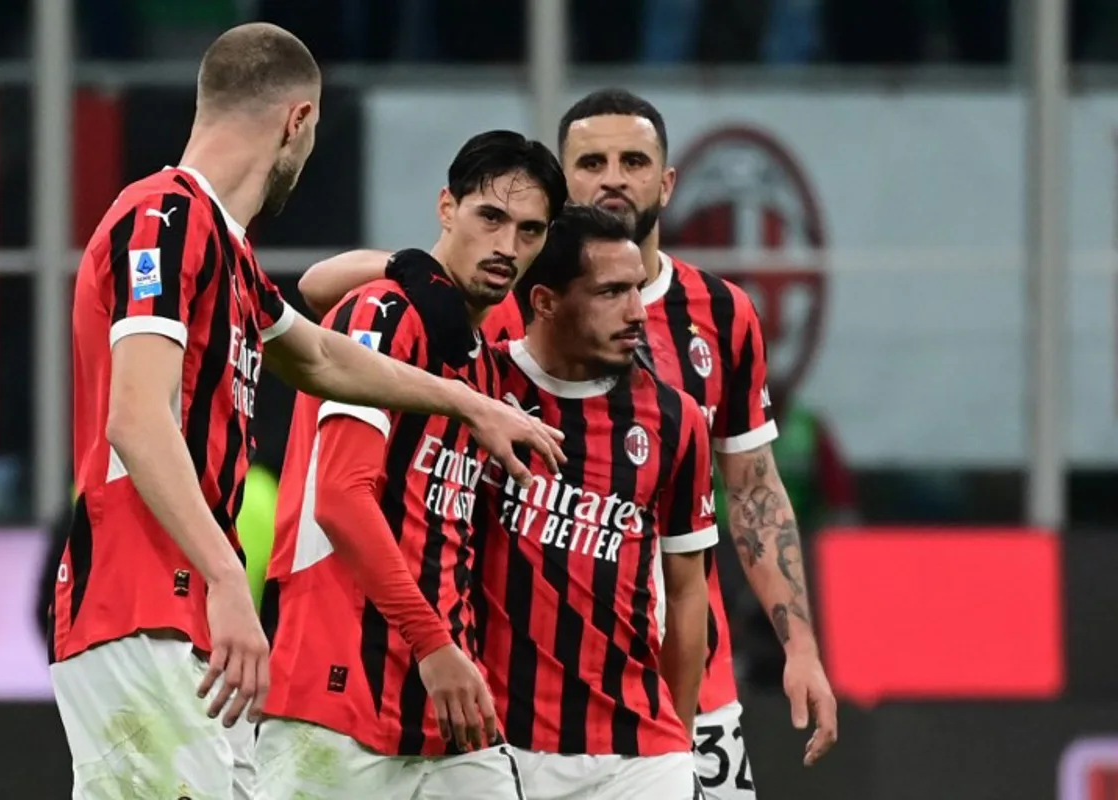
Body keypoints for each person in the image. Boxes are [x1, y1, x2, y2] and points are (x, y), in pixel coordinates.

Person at [52, 25, 565, 800]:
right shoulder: (163, 214)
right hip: (138, 605)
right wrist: (228, 576)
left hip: (188, 622)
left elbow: (319, 356)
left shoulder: (232, 257)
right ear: (297, 122)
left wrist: (467, 403)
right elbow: (134, 415)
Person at [297, 89, 838, 798]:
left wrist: (798, 641)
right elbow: (321, 290)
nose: (613, 177)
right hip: (506, 705)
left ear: (667, 182)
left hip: (679, 691)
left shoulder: (724, 315)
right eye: (591, 161)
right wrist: (413, 267)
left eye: (634, 160)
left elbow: (755, 489)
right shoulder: (502, 302)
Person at [254, 130, 568, 799]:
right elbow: (340, 497)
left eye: (529, 230)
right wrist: (434, 644)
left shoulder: (483, 358)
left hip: (447, 713)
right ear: (446, 208)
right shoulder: (384, 313)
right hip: (337, 703)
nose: (508, 246)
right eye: (491, 217)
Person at [471, 204, 714, 799]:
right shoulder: (478, 390)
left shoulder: (675, 419)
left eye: (637, 288)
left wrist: (677, 742)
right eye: (611, 292)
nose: (637, 311)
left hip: (638, 755)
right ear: (545, 301)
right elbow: (322, 287)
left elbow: (687, 593)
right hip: (495, 748)